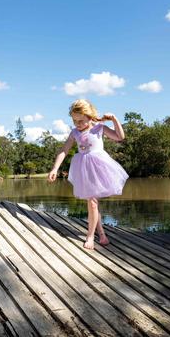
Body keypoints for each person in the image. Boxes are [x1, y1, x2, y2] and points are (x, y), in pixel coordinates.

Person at [47, 99, 129, 250]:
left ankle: (91, 236)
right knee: (92, 203)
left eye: (81, 120)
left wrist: (115, 119)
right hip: (83, 168)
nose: (77, 124)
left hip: (99, 167)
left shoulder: (99, 128)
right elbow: (64, 150)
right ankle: (102, 234)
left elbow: (120, 137)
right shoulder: (74, 133)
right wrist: (55, 168)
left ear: (90, 117)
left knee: (92, 203)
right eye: (74, 120)